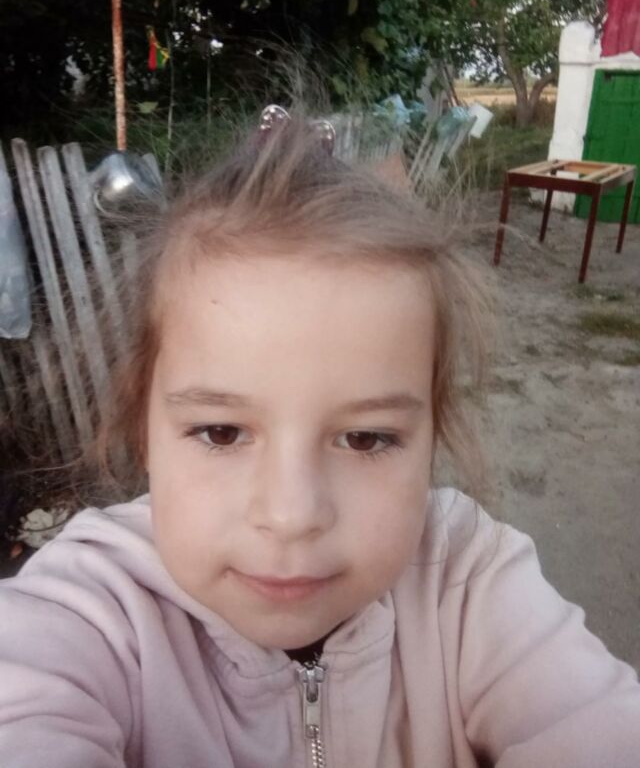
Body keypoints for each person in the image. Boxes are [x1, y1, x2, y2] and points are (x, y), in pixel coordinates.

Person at [0, 106, 638, 768]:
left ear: (432, 435)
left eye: (364, 438)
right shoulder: (89, 613)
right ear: (143, 429)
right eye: (221, 431)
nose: (291, 514)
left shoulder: (467, 579)